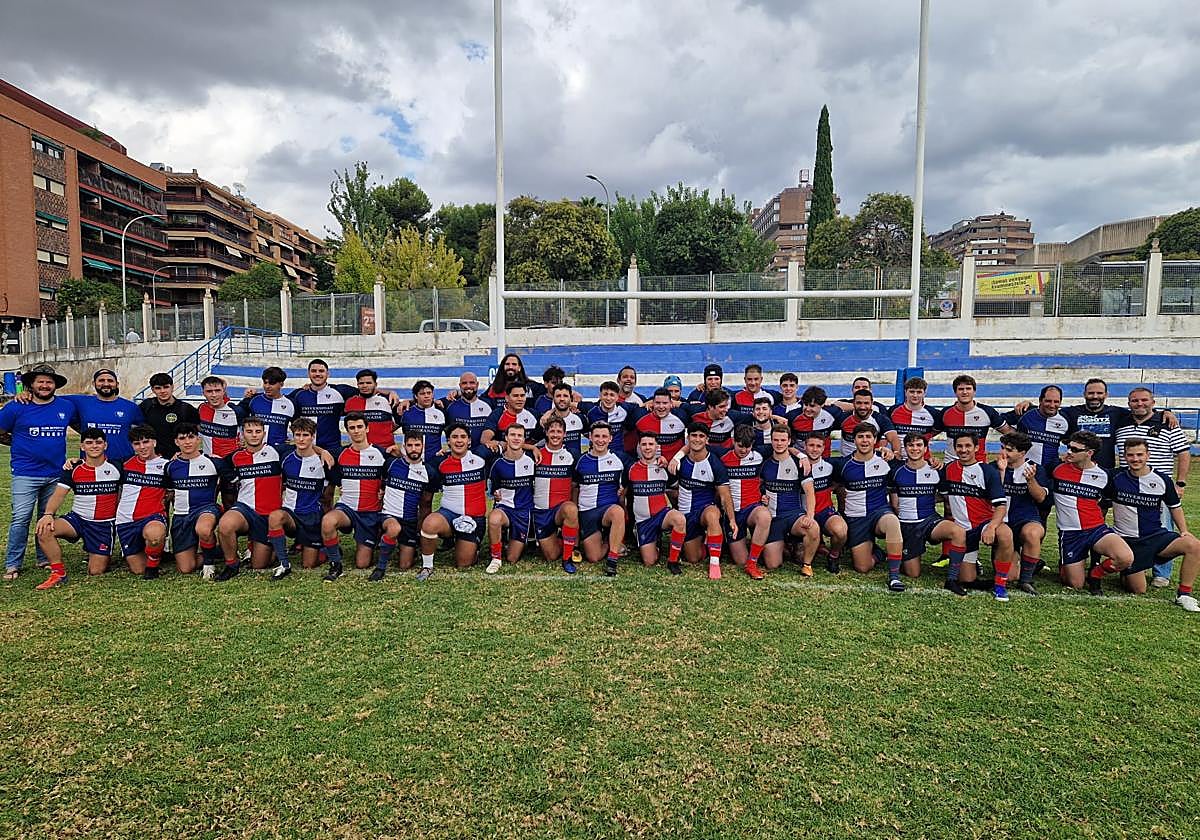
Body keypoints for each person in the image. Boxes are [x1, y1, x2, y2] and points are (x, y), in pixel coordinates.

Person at [1, 364, 78, 580]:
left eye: (49, 382)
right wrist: (14, 442)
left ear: (55, 385)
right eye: (40, 381)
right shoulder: (16, 406)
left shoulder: (66, 406)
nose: (45, 385)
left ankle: (44, 558)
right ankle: (13, 564)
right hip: (25, 473)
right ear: (31, 384)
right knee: (21, 518)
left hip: (55, 473)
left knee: (47, 517)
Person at [1107, 437, 1200, 610]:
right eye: (1130, 455)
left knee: (1194, 545)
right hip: (1128, 541)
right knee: (1138, 589)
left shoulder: (1162, 480)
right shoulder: (1115, 477)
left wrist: (1184, 531)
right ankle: (1126, 569)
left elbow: (1175, 507)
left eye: (1140, 454)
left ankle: (1184, 595)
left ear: (1148, 455)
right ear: (1124, 457)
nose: (1135, 459)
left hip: (1156, 537)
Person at [1114, 387, 1191, 587]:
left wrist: (1180, 482)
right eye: (1134, 401)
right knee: (1132, 528)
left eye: (1144, 400)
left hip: (1159, 486)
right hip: (1128, 484)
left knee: (1163, 527)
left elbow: (1183, 453)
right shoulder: (1121, 422)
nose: (1140, 404)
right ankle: (1133, 564)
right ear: (1128, 403)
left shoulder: (1167, 422)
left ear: (1153, 402)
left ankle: (1161, 573)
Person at [34, 428, 121, 588]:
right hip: (78, 519)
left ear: (105, 445)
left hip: (103, 525)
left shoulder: (117, 467)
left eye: (98, 442)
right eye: (89, 443)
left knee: (96, 571)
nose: (94, 446)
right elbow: (59, 494)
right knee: (44, 529)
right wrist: (48, 514)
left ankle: (96, 551)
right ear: (82, 447)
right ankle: (58, 573)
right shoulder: (73, 468)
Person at [1050, 431, 1134, 593]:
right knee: (1075, 584)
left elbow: (1109, 498)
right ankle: (1065, 564)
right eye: (1068, 447)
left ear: (1089, 453)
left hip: (1096, 529)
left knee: (1125, 558)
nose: (1069, 452)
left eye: (1075, 450)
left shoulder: (1104, 475)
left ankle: (1095, 574)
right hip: (1070, 533)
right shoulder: (1056, 469)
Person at [940, 432, 1014, 600]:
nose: (963, 450)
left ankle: (1000, 585)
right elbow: (942, 495)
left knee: (1005, 533)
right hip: (962, 530)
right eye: (959, 446)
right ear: (954, 448)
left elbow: (1001, 506)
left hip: (984, 524)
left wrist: (992, 527)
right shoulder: (949, 469)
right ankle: (973, 565)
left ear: (976, 448)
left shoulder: (987, 471)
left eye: (968, 446)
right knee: (966, 579)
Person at [890, 434, 968, 592]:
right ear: (905, 448)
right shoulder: (896, 471)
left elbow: (946, 498)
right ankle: (906, 552)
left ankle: (952, 579)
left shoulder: (937, 470)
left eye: (919, 445)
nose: (915, 449)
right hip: (908, 525)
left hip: (929, 521)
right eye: (911, 445)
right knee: (913, 573)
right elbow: (894, 503)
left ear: (926, 449)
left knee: (958, 532)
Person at [215, 416, 285, 581]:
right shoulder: (235, 457)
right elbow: (216, 462)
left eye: (258, 431)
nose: (254, 435)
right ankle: (232, 564)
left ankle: (270, 548)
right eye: (249, 431)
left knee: (259, 565)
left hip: (268, 514)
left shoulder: (277, 452)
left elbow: (304, 447)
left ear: (264, 433)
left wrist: (322, 451)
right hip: (245, 508)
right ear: (242, 434)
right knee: (225, 525)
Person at [838, 424, 906, 592]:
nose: (865, 440)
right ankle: (879, 553)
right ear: (854, 440)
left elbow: (907, 470)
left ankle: (894, 576)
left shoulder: (885, 461)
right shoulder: (843, 464)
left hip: (879, 513)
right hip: (856, 518)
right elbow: (833, 486)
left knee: (892, 522)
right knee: (863, 567)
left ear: (875, 440)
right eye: (860, 437)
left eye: (868, 437)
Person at [418, 422, 490, 578]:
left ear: (469, 441)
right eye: (454, 437)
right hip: (449, 514)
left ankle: (470, 544)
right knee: (430, 523)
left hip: (474, 518)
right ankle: (427, 566)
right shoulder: (439, 462)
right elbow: (415, 466)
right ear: (448, 441)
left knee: (463, 563)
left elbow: (507, 446)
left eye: (463, 437)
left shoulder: (482, 456)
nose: (459, 441)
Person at [321, 412, 387, 581]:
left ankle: (375, 535)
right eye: (352, 428)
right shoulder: (340, 454)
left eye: (359, 427)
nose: (356, 431)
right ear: (347, 431)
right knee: (328, 521)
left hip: (370, 512)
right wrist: (322, 451)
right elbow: (306, 447)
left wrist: (383, 491)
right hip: (347, 508)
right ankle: (336, 564)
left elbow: (395, 473)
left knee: (362, 563)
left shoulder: (381, 454)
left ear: (367, 428)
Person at [668, 422, 736, 579]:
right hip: (686, 514)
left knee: (712, 515)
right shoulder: (680, 462)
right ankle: (711, 543)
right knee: (693, 558)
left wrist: (732, 519)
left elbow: (725, 495)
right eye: (694, 436)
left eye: (701, 436)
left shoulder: (715, 463)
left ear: (707, 440)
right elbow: (670, 490)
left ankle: (714, 562)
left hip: (706, 508)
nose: (697, 439)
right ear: (688, 438)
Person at [163, 423, 227, 577]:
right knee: (186, 568)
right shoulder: (170, 467)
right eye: (182, 438)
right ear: (176, 442)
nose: (187, 442)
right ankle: (218, 551)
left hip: (206, 509)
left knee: (203, 529)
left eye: (191, 437)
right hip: (182, 515)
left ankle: (209, 564)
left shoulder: (214, 462)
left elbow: (232, 483)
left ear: (198, 439)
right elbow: (169, 494)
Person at [268, 417, 330, 579]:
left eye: (305, 435)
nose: (301, 439)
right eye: (297, 435)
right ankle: (284, 563)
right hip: (290, 514)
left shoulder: (324, 461)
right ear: (292, 435)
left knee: (309, 565)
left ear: (313, 436)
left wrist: (322, 451)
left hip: (311, 516)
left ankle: (324, 548)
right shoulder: (285, 455)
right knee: (275, 517)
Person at [995, 431, 1050, 596]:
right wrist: (1001, 473)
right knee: (1010, 576)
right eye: (1003, 447)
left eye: (1009, 449)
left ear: (1022, 453)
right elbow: (991, 495)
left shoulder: (1035, 469)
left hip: (1025, 519)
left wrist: (1030, 480)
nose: (1004, 452)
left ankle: (1026, 580)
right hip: (1003, 523)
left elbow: (1041, 498)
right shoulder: (994, 467)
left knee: (1032, 532)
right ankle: (1024, 560)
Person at [759, 425, 819, 575]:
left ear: (789, 441)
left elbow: (810, 492)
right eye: (776, 440)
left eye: (783, 440)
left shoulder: (799, 463)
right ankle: (788, 544)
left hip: (793, 515)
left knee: (813, 528)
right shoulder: (764, 461)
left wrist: (810, 516)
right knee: (772, 564)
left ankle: (807, 565)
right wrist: (761, 496)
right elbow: (756, 484)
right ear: (771, 441)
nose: (779, 443)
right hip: (772, 518)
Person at [626, 431, 687, 573]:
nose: (647, 448)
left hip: (661, 515)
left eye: (651, 444)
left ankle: (673, 561)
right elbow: (624, 494)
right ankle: (655, 540)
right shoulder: (630, 468)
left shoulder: (664, 467)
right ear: (639, 447)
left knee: (679, 519)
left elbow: (677, 490)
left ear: (657, 447)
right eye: (644, 444)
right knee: (649, 562)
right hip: (643, 521)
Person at [376, 430, 434, 580]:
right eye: (410, 445)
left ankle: (407, 546)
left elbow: (426, 505)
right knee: (394, 528)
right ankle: (380, 567)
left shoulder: (429, 472)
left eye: (417, 445)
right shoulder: (391, 463)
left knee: (405, 564)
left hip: (409, 521)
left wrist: (421, 533)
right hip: (389, 516)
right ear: (404, 446)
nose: (413, 449)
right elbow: (380, 486)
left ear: (423, 446)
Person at [114, 424, 169, 580]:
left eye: (146, 442)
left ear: (154, 443)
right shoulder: (122, 464)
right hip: (125, 521)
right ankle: (153, 553)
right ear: (132, 446)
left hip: (152, 517)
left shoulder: (166, 466)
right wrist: (74, 461)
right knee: (138, 569)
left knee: (155, 536)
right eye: (137, 443)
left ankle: (153, 566)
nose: (142, 447)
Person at [574, 421, 628, 576]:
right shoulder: (580, 460)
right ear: (590, 437)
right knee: (593, 557)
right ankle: (612, 541)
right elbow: (575, 487)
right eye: (596, 436)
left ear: (610, 438)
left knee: (617, 512)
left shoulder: (619, 460)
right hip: (587, 512)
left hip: (607, 510)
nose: (600, 440)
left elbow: (638, 470)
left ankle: (612, 559)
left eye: (604, 436)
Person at [62, 369, 143, 463]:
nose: (106, 383)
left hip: (124, 463)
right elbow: (52, 399)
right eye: (101, 380)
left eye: (110, 381)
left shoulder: (131, 407)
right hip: (91, 464)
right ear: (94, 383)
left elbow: (142, 430)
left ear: (117, 384)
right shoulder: (81, 402)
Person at [486, 424, 537, 574]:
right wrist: (495, 494)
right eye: (513, 435)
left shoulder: (532, 461)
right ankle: (495, 558)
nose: (516, 438)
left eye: (519, 435)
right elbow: (493, 489)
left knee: (512, 558)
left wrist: (534, 448)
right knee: (494, 518)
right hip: (505, 509)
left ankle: (513, 538)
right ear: (506, 438)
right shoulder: (497, 463)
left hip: (523, 512)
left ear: (524, 439)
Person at [533, 416, 581, 572]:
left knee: (571, 509)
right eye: (552, 431)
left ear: (564, 434)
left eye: (559, 431)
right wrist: (530, 447)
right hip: (541, 511)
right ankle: (564, 537)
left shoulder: (572, 455)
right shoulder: (535, 454)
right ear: (546, 433)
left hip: (560, 510)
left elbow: (575, 484)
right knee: (551, 556)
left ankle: (567, 558)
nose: (555, 435)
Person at [723, 425, 771, 580]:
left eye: (747, 447)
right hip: (732, 512)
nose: (743, 450)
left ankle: (752, 563)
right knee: (739, 560)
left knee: (764, 516)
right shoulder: (722, 456)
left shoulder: (759, 454)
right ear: (733, 441)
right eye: (740, 446)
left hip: (752, 508)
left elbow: (784, 446)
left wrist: (802, 456)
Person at [801, 432, 849, 574]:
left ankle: (833, 556)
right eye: (811, 445)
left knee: (840, 531)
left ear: (824, 448)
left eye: (818, 446)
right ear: (805, 447)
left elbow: (840, 482)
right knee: (799, 556)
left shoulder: (831, 465)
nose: (814, 449)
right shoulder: (797, 465)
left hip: (824, 511)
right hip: (803, 514)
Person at [939, 375, 1013, 462]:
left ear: (974, 391)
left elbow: (1009, 432)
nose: (965, 392)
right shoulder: (945, 412)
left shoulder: (987, 412)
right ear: (955, 392)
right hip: (951, 463)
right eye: (961, 389)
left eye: (968, 388)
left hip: (979, 463)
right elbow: (928, 434)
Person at [138, 372, 200, 458]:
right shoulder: (146, 406)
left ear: (172, 387)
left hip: (178, 458)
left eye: (166, 387)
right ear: (152, 390)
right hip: (153, 457)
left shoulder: (186, 409)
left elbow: (195, 435)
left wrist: (184, 453)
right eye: (158, 388)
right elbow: (139, 431)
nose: (162, 391)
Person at [239, 366, 296, 448]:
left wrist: (295, 440)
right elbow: (237, 417)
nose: (267, 386)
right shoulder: (253, 399)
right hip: (256, 450)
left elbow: (299, 425)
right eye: (265, 383)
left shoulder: (291, 403)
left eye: (272, 383)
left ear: (281, 384)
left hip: (279, 450)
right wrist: (242, 437)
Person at [832, 389, 900, 457]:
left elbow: (894, 439)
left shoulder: (880, 419)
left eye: (866, 403)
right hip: (847, 460)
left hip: (871, 461)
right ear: (853, 403)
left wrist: (896, 454)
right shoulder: (843, 417)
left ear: (872, 403)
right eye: (859, 403)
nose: (862, 407)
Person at [345, 369, 402, 447]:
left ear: (375, 384)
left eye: (369, 383)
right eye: (361, 383)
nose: (365, 386)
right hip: (360, 450)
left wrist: (386, 430)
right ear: (357, 385)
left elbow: (400, 420)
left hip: (385, 449)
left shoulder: (389, 399)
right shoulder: (350, 402)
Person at [481, 382, 540, 453]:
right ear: (507, 398)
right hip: (504, 455)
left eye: (522, 395)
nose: (520, 399)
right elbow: (484, 440)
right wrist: (531, 447)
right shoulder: (498, 414)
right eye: (515, 396)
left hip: (528, 454)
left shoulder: (534, 414)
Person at [684, 388, 748, 453]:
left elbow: (753, 417)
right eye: (721, 407)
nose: (726, 410)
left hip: (724, 455)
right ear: (710, 406)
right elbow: (682, 405)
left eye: (726, 406)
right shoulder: (695, 413)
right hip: (703, 455)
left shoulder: (732, 416)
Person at [632, 388, 689, 461]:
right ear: (652, 403)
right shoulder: (639, 416)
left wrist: (677, 458)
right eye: (658, 403)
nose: (661, 407)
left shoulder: (682, 416)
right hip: (648, 465)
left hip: (674, 465)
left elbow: (693, 438)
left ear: (671, 403)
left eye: (665, 403)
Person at [196, 375, 244, 461]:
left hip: (230, 461)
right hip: (208, 460)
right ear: (203, 393)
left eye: (217, 390)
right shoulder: (201, 408)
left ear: (223, 391)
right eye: (209, 391)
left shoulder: (236, 411)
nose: (214, 395)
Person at [443, 371, 493, 447]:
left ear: (477, 385)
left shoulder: (489, 405)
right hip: (459, 455)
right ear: (460, 386)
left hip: (483, 455)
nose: (468, 386)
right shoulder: (450, 406)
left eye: (472, 383)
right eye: (464, 383)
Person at [888, 376, 942, 443]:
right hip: (898, 453)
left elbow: (937, 430)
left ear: (924, 393)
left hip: (922, 453)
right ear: (905, 392)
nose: (915, 395)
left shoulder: (934, 413)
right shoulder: (893, 410)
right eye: (912, 392)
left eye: (919, 392)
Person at [538, 382, 586, 457]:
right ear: (553, 399)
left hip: (574, 464)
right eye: (558, 396)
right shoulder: (545, 420)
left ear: (571, 398)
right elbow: (534, 443)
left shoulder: (580, 418)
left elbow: (593, 436)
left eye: (565, 396)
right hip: (553, 464)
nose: (562, 399)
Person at [583, 381, 633, 453]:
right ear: (600, 396)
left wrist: (648, 403)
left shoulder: (625, 409)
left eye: (612, 395)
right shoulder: (591, 411)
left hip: (618, 454)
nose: (608, 398)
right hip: (596, 453)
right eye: (605, 394)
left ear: (617, 397)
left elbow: (640, 407)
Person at [789, 386, 838, 455]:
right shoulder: (792, 416)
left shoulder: (832, 413)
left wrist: (835, 403)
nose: (808, 409)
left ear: (822, 404)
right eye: (805, 404)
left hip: (824, 459)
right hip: (800, 459)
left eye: (812, 406)